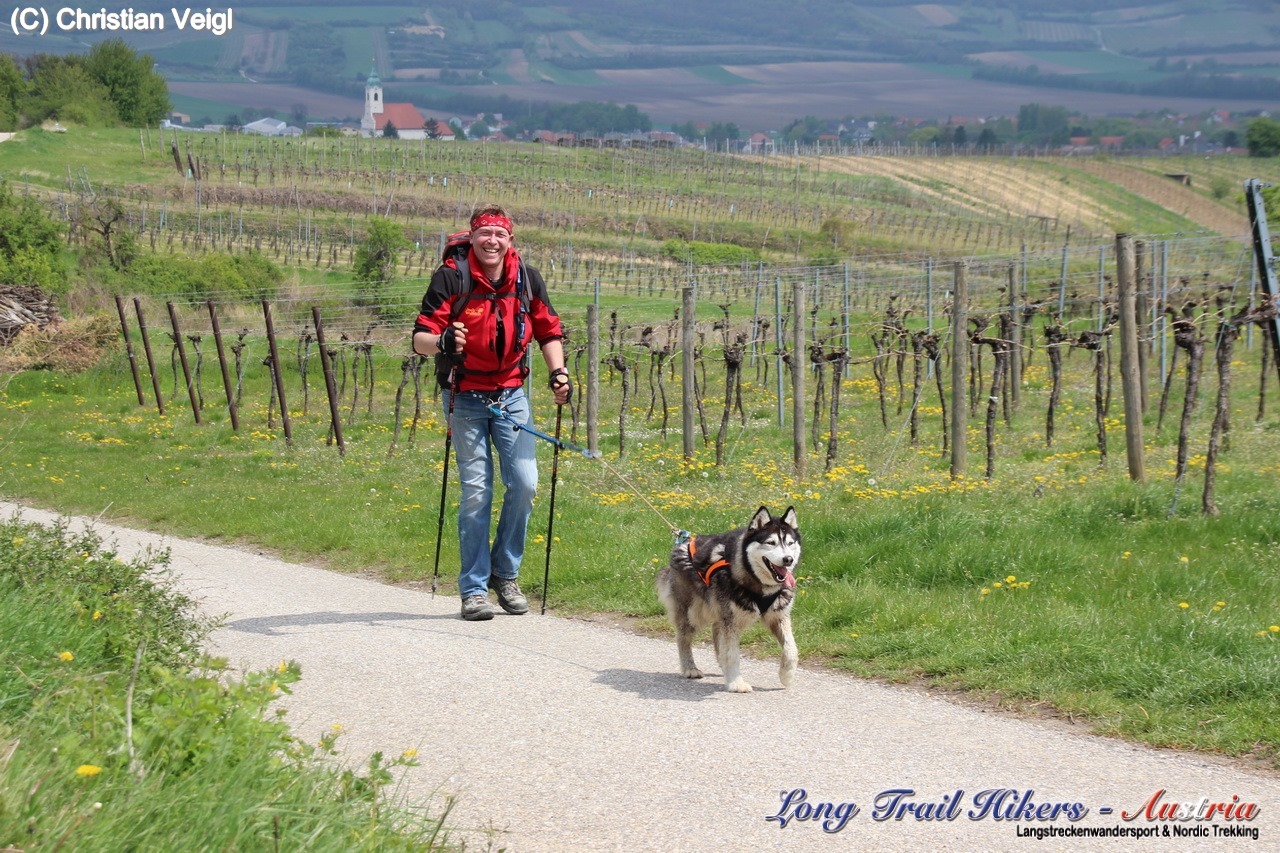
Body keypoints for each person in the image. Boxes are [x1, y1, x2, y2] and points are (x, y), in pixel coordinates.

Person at [412, 207, 572, 621]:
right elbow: (420, 338)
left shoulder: (527, 279)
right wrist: (442, 341)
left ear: (510, 241)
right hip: (464, 395)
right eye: (484, 233)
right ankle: (474, 589)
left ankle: (506, 574)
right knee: (477, 491)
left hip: (511, 395)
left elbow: (548, 331)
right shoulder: (452, 277)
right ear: (472, 237)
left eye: (499, 234)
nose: (492, 241)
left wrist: (558, 372)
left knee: (525, 483)